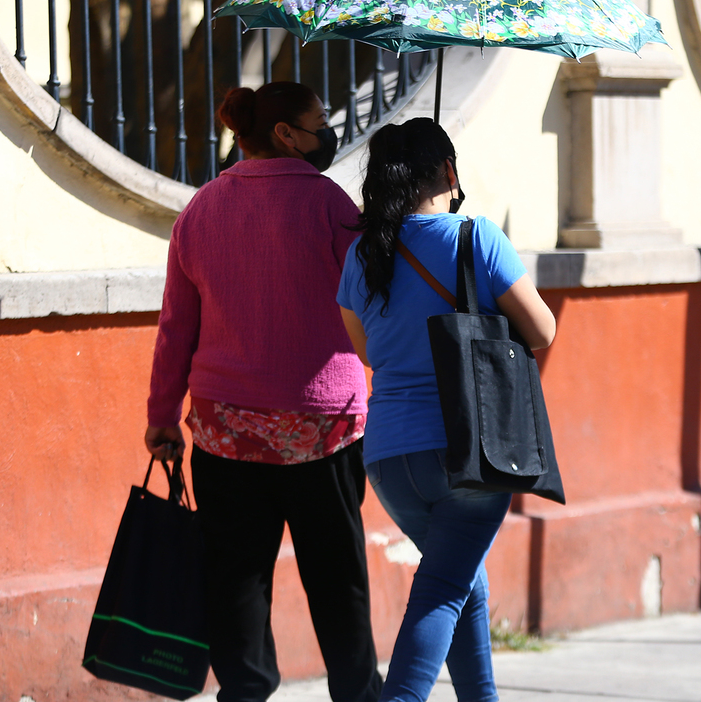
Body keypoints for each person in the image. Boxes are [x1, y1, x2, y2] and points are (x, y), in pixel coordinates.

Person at [144, 82, 383, 702]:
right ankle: (358, 694)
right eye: (317, 121)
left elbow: (177, 326)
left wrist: (163, 415)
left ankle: (245, 693)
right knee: (338, 577)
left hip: (227, 430)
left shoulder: (201, 210)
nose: (327, 131)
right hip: (322, 427)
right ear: (285, 133)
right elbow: (371, 305)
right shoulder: (332, 206)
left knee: (237, 578)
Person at [336, 118, 556, 702]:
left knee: (462, 581)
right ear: (449, 173)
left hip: (388, 457)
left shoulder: (362, 256)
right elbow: (541, 330)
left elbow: (367, 349)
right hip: (469, 449)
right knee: (442, 589)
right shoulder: (476, 237)